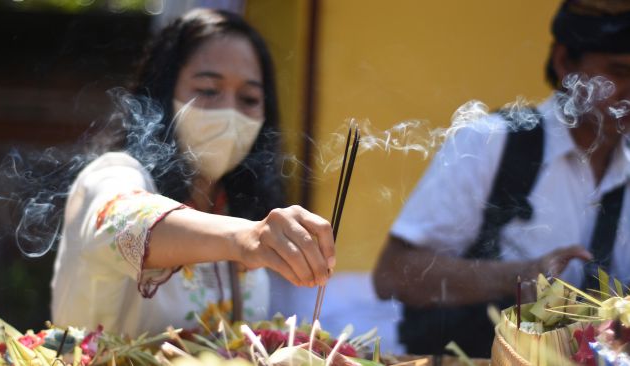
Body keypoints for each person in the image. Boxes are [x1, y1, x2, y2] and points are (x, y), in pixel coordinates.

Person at [51, 8, 335, 337]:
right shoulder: (114, 174)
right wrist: (245, 238)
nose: (229, 111)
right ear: (163, 94)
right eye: (209, 91)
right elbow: (122, 222)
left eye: (249, 98)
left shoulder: (236, 210)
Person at [373, 0, 630, 358]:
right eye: (619, 72)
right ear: (564, 63)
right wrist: (520, 276)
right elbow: (394, 274)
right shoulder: (490, 142)